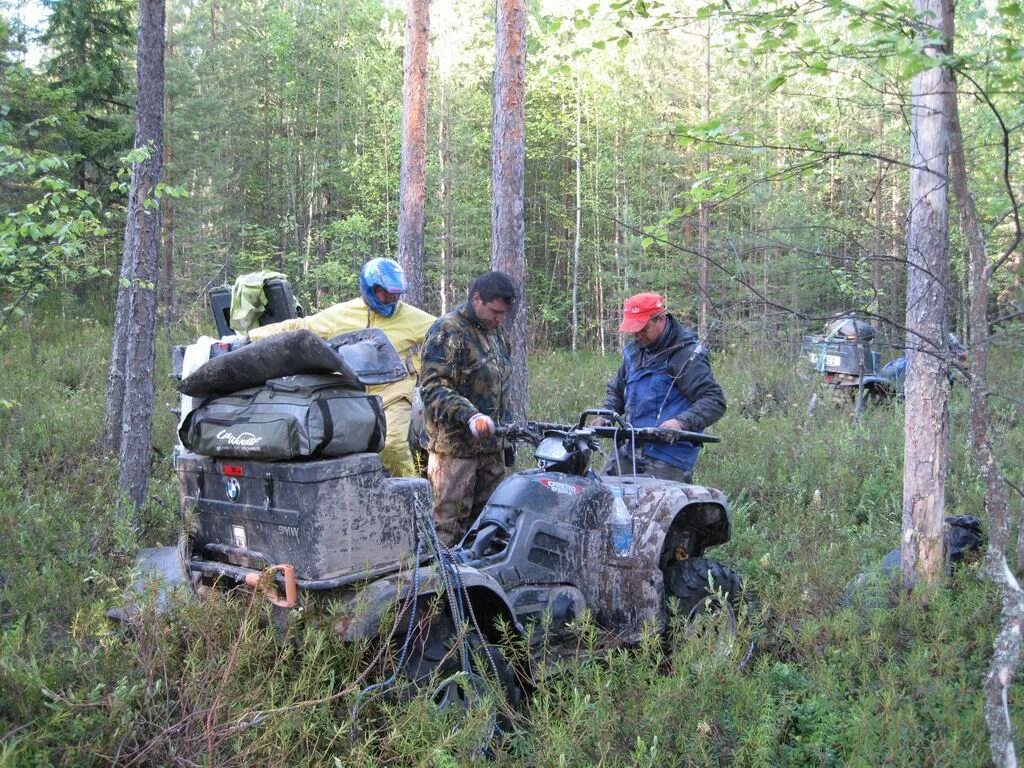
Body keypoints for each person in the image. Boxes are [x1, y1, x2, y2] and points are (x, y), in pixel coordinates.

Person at [247, 257, 436, 477]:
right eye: (386, 293)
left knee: (391, 445)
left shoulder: (412, 317)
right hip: (351, 395)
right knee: (334, 449)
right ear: (369, 288)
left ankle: (412, 496)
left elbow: (445, 333)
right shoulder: (343, 314)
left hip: (393, 393)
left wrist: (414, 365)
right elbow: (301, 327)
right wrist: (251, 337)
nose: (392, 299)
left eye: (396, 294)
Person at [419, 271, 516, 546]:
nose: (500, 319)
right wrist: (470, 415)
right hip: (455, 453)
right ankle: (440, 587)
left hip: (491, 451)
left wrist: (508, 436)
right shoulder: (447, 331)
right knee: (447, 529)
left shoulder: (497, 335)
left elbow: (501, 387)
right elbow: (432, 387)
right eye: (495, 311)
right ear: (476, 299)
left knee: (490, 527)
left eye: (504, 313)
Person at [594, 292, 726, 483]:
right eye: (633, 330)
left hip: (669, 456)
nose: (637, 335)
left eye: (642, 328)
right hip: (630, 448)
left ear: (660, 320)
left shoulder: (686, 355)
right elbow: (617, 392)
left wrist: (681, 423)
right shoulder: (634, 354)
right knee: (597, 494)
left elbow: (714, 401)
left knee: (651, 510)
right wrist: (606, 414)